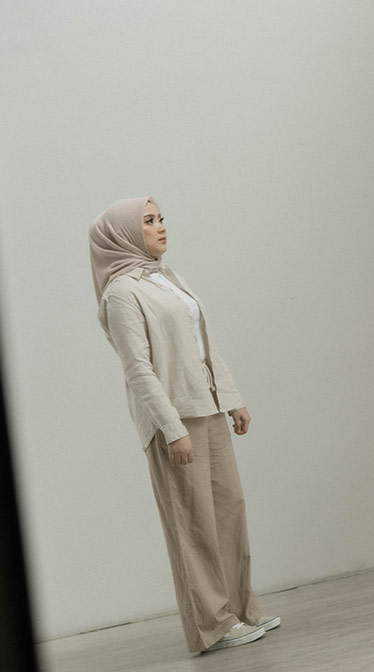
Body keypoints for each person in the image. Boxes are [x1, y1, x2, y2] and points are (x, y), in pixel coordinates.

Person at [89, 196, 280, 653]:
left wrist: (232, 398)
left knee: (229, 509)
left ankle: (242, 609)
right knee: (192, 522)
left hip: (207, 407)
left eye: (160, 218)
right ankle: (212, 626)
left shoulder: (168, 278)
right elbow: (137, 369)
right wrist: (172, 428)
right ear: (123, 234)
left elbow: (204, 345)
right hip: (174, 420)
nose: (161, 227)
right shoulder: (121, 293)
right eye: (148, 221)